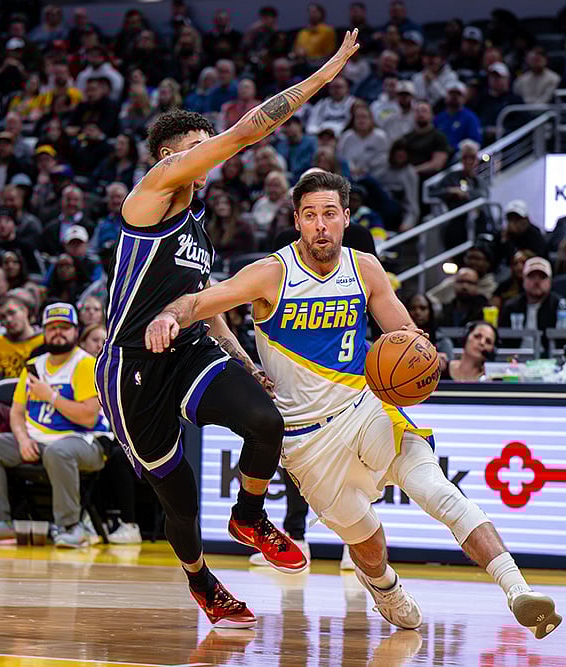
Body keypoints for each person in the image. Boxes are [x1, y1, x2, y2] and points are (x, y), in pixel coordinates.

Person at [145, 170, 561, 638]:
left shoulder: (365, 268)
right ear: (297, 221)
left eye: (328, 214)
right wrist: (168, 315)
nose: (320, 225)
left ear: (345, 218)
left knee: (437, 491)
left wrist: (420, 355)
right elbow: (202, 301)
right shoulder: (271, 273)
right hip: (307, 442)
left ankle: (518, 589)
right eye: (309, 215)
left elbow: (405, 335)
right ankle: (385, 587)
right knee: (368, 544)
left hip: (366, 408)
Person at [94, 35, 363, 629]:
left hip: (187, 346)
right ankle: (201, 580)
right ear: (167, 158)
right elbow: (245, 133)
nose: (207, 154)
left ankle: (248, 514)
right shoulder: (152, 195)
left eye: (204, 144)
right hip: (133, 365)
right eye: (196, 148)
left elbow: (204, 303)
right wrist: (325, 75)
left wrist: (243, 361)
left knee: (266, 420)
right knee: (179, 498)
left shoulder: (196, 222)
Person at [0, 303, 109, 548]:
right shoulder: (34, 365)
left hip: (85, 442)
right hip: (38, 441)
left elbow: (88, 417)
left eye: (64, 327)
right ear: (43, 331)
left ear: (76, 331)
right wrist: (22, 439)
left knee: (59, 451)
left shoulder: (85, 364)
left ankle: (71, 526)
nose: (58, 333)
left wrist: (51, 396)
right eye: (52, 328)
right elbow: (17, 413)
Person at [499, 257, 566, 338]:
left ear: (550, 281)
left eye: (542, 277)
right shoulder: (511, 306)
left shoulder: (561, 306)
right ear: (523, 280)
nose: (537, 282)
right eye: (532, 277)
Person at [0, 294, 44, 380]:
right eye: (3, 317)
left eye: (12, 313)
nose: (8, 319)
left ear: (25, 311)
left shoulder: (44, 340)